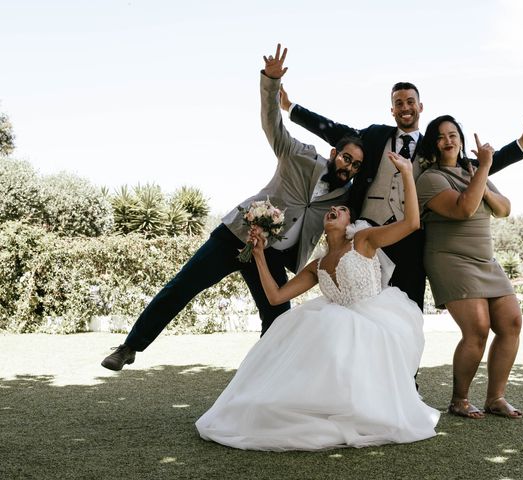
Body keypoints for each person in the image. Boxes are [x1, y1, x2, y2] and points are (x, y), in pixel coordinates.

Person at [101, 44, 364, 371]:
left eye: (355, 166)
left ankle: (260, 385)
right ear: (335, 152)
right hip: (238, 233)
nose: (349, 167)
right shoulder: (300, 155)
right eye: (346, 158)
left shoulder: (346, 198)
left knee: (278, 319)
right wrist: (271, 82)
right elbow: (272, 124)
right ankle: (129, 347)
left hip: (271, 255)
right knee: (182, 286)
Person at [195, 149, 439, 451]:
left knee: (334, 330)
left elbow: (412, 222)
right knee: (310, 335)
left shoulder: (364, 241)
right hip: (333, 324)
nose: (334, 209)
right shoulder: (317, 265)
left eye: (342, 209)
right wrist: (258, 255)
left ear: (351, 221)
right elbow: (275, 296)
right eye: (332, 208)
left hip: (372, 324)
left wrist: (405, 172)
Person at [280, 82, 523, 310]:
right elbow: (333, 130)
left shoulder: (435, 145)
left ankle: (407, 369)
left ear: (420, 107)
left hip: (411, 236)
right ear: (392, 110)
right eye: (398, 103)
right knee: (363, 306)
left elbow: (471, 166)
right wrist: (291, 108)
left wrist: (520, 146)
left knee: (410, 308)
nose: (405, 107)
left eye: (410, 102)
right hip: (367, 234)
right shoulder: (374, 135)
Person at [416, 115, 523, 419]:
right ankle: (459, 399)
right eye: (441, 136)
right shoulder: (430, 178)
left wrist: (482, 178)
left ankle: (495, 398)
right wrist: (484, 170)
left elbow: (504, 209)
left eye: (453, 134)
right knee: (477, 328)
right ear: (433, 145)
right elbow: (463, 208)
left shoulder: (473, 171)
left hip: (485, 261)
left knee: (512, 322)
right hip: (451, 259)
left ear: (461, 140)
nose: (448, 141)